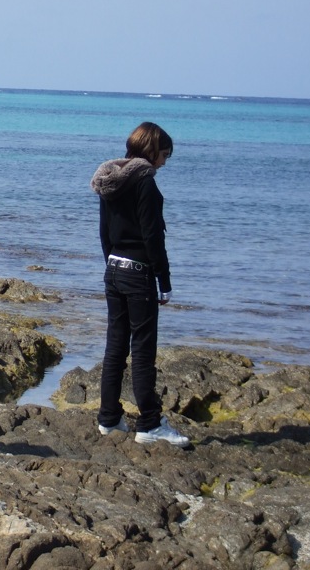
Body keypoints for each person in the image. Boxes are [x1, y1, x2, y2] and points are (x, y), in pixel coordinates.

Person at [90, 122, 189, 448]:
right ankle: (149, 424)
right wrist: (164, 280)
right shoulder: (145, 183)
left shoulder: (112, 181)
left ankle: (109, 419)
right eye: (164, 155)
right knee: (143, 351)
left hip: (114, 270)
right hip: (138, 273)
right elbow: (152, 237)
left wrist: (112, 264)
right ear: (151, 150)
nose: (164, 162)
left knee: (115, 346)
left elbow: (105, 232)